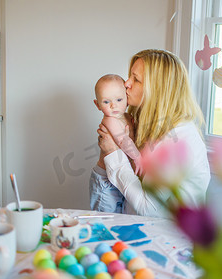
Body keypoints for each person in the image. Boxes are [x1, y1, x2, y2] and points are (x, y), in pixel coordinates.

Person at [90, 49, 211, 217]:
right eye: (130, 76)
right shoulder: (148, 126)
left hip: (167, 238)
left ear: (157, 90)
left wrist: (113, 153)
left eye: (136, 79)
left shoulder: (178, 140)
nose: (126, 83)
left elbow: (147, 207)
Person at [89, 74, 141, 213]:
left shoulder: (128, 117)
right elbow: (123, 141)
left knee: (120, 216)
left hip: (119, 175)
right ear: (97, 104)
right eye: (106, 102)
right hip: (105, 180)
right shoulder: (110, 120)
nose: (113, 105)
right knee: (105, 218)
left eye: (119, 99)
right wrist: (138, 158)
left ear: (127, 99)